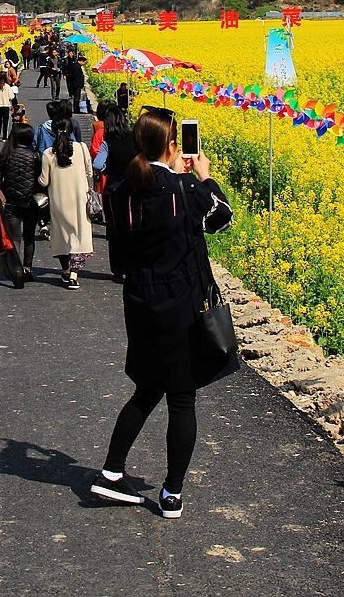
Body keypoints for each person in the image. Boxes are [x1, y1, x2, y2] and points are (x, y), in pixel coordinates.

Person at [90, 107, 233, 518]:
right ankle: (171, 493)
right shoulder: (186, 189)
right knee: (182, 399)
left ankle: (112, 473)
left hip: (139, 305)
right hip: (182, 308)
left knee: (148, 388)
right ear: (174, 146)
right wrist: (203, 174)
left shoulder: (118, 191)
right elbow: (221, 219)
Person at [38, 118, 94, 290]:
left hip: (59, 201)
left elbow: (44, 180)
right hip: (79, 199)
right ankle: (74, 275)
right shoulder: (82, 148)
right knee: (79, 235)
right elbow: (89, 171)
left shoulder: (48, 153)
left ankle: (66, 270)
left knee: (62, 237)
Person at [0, 124, 41, 286]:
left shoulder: (5, 155)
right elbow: (41, 181)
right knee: (29, 237)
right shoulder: (35, 156)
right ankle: (27, 268)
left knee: (14, 238)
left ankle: (16, 270)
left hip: (11, 202)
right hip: (31, 202)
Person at [97, 104, 135, 283]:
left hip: (113, 191)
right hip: (132, 189)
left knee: (114, 230)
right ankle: (131, 266)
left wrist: (107, 168)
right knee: (131, 227)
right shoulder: (134, 138)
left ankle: (118, 270)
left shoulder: (107, 140)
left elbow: (97, 164)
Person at [0, 70, 14, 140]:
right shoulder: (7, 86)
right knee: (5, 122)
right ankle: (4, 137)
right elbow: (12, 96)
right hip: (6, 106)